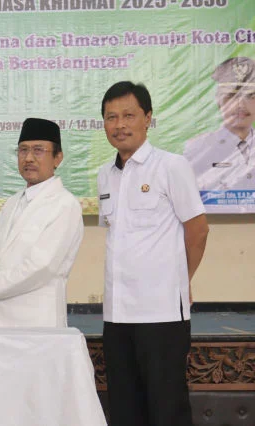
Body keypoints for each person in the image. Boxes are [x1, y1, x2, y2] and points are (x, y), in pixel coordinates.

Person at [98, 81, 209, 426]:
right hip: (116, 314)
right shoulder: (104, 175)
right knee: (124, 410)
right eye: (111, 117)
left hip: (161, 313)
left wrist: (182, 281)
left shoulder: (171, 166)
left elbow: (198, 230)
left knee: (166, 411)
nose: (120, 125)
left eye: (128, 115)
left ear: (148, 118)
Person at [0, 118, 84, 327]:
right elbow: (2, 257)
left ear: (58, 158)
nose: (28, 158)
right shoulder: (13, 201)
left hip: (35, 324)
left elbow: (40, 269)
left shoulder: (65, 205)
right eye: (23, 150)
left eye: (38, 150)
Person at [183, 57, 255, 212]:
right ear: (218, 100)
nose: (240, 105)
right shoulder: (197, 148)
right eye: (232, 96)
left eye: (250, 95)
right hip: (216, 224)